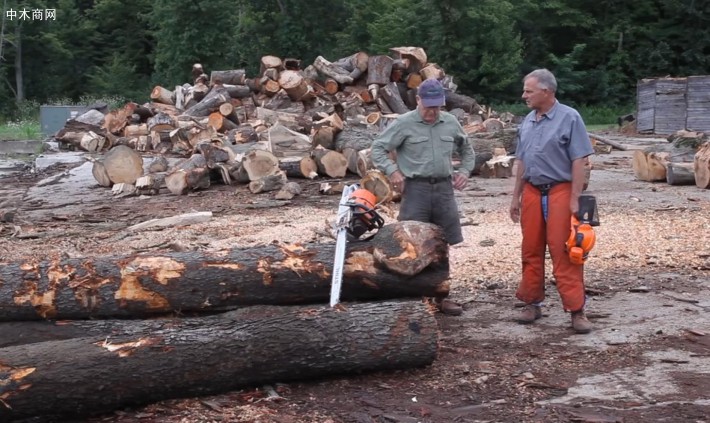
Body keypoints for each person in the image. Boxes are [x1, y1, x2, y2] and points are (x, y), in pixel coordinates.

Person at [371, 78, 475, 316]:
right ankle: (415, 299)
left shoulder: (450, 122)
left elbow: (467, 149)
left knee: (443, 244)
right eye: (428, 106)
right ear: (417, 100)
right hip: (415, 191)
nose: (432, 112)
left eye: (437, 106)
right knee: (411, 243)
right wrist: (393, 171)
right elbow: (378, 147)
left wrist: (465, 172)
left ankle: (441, 295)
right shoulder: (404, 124)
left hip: (443, 191)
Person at [509, 68, 594, 334]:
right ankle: (531, 303)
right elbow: (521, 161)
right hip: (533, 192)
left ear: (547, 91)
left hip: (560, 190)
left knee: (567, 251)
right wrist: (515, 197)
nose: (524, 95)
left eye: (529, 91)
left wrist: (575, 198)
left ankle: (576, 311)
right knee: (530, 249)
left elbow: (579, 159)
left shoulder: (569, 117)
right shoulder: (528, 121)